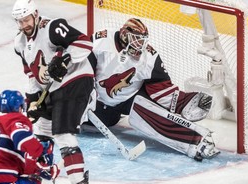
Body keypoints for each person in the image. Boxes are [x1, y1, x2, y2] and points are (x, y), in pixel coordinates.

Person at [89, 18, 220, 161]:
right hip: (98, 104)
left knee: (149, 111)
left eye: (142, 40)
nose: (140, 45)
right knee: (69, 117)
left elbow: (161, 87)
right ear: (124, 35)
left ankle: (196, 142)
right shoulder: (100, 41)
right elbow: (79, 67)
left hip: (130, 99)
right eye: (135, 39)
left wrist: (182, 101)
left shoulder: (149, 57)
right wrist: (81, 93)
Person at [12, 0, 95, 184]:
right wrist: (32, 100)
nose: (24, 25)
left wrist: (65, 59)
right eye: (20, 21)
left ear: (36, 14)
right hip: (53, 88)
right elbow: (31, 73)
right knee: (43, 128)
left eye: (27, 19)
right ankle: (40, 170)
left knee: (63, 133)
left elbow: (85, 43)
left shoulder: (51, 27)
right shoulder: (20, 43)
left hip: (77, 79)